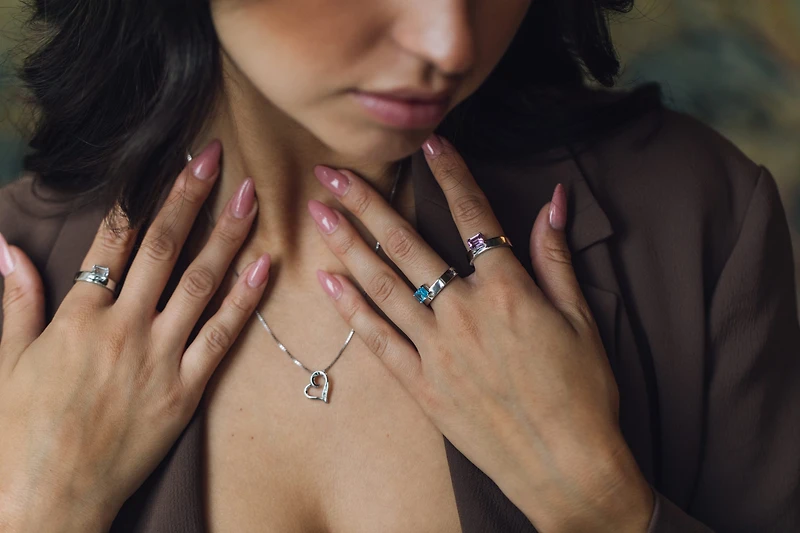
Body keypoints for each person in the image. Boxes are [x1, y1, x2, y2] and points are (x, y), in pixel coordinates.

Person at [0, 0, 798, 531]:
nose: (449, 41)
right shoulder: (17, 276)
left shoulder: (692, 219)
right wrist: (33, 511)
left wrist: (608, 509)